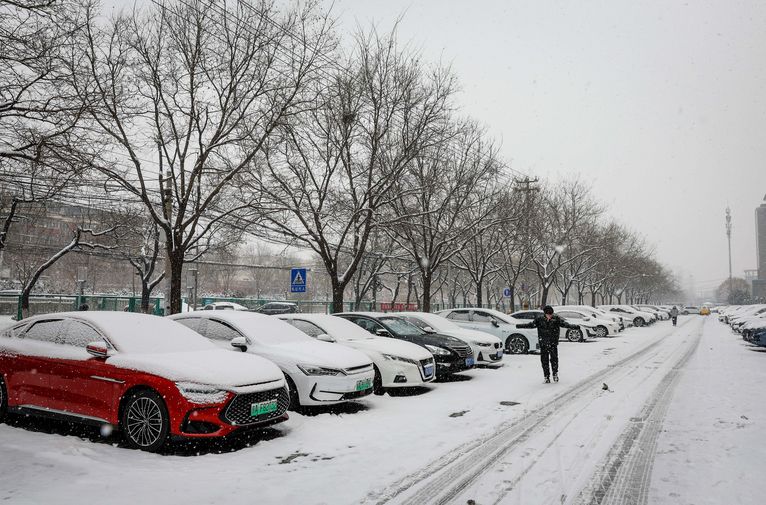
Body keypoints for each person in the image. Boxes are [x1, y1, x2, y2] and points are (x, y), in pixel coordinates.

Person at [517, 305, 579, 383]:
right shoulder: (539, 320)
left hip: (553, 343)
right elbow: (531, 325)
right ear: (545, 314)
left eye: (551, 314)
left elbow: (565, 324)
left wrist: (575, 327)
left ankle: (555, 374)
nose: (550, 316)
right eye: (548, 314)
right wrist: (519, 326)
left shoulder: (556, 319)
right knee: (544, 361)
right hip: (543, 343)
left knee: (554, 359)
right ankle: (546, 377)